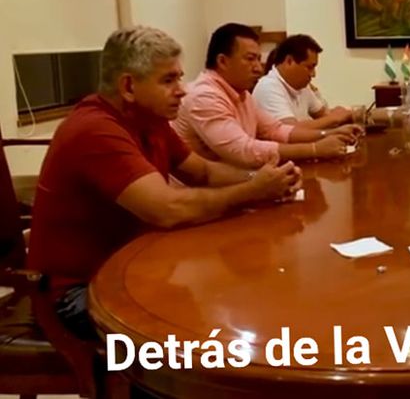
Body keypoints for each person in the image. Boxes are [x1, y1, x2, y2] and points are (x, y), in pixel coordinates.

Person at [27, 26, 303, 339]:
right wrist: (253, 190)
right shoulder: (95, 129)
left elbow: (203, 172)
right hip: (76, 290)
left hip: (134, 265)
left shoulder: (151, 120)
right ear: (128, 86)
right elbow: (167, 209)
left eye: (179, 78)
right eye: (168, 80)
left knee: (235, 297)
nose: (182, 90)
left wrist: (265, 181)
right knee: (196, 333)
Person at [173, 23, 362, 169]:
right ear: (222, 61)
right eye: (250, 59)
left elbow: (276, 130)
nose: (258, 67)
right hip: (203, 194)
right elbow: (244, 151)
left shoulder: (242, 93)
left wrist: (328, 134)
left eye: (258, 59)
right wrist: (314, 149)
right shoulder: (204, 96)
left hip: (238, 180)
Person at [253, 34, 353, 127]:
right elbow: (291, 130)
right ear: (289, 61)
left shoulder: (302, 86)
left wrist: (349, 115)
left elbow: (323, 114)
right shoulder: (268, 87)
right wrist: (335, 118)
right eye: (309, 67)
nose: (313, 74)